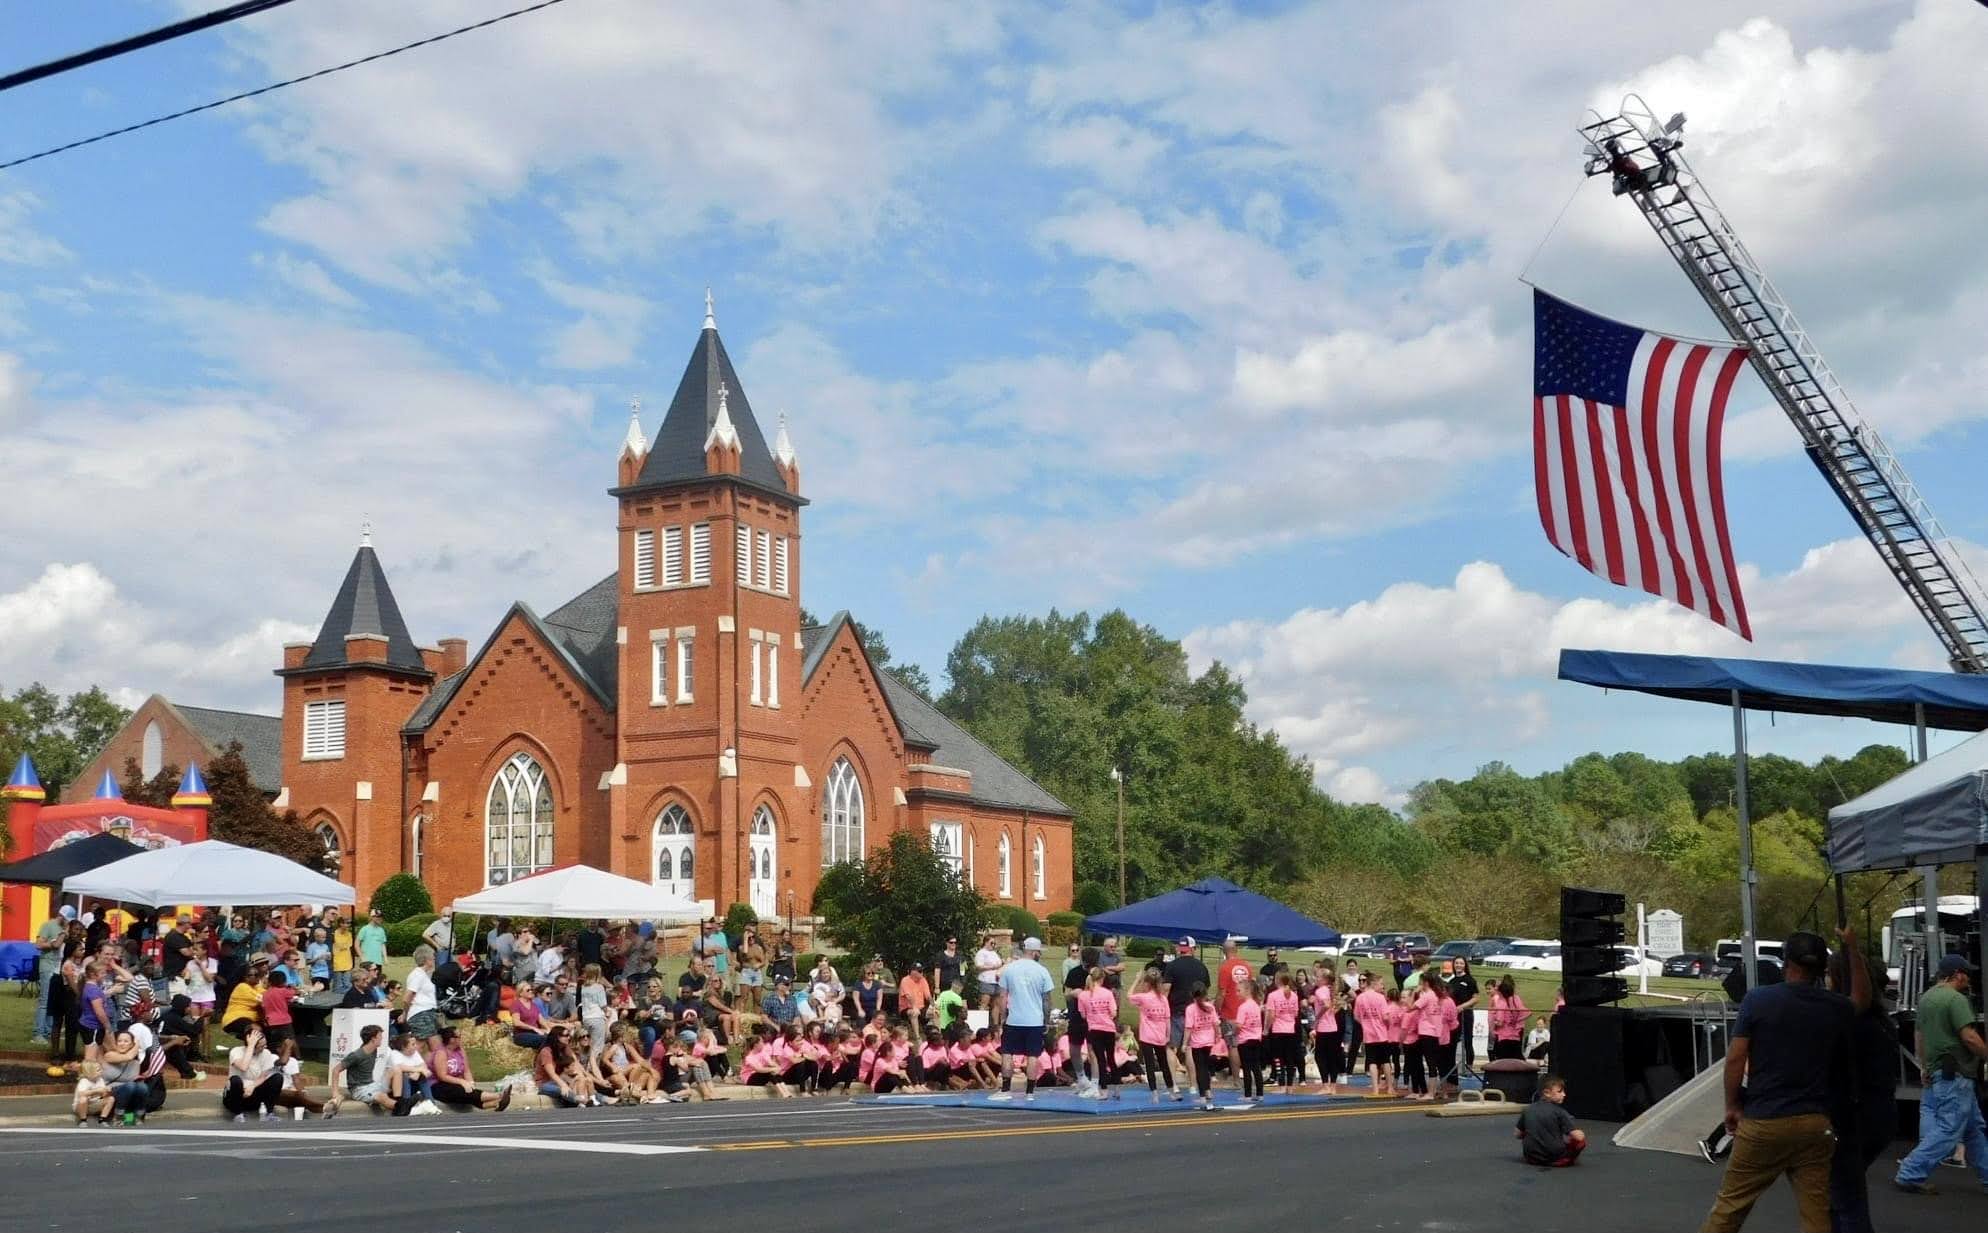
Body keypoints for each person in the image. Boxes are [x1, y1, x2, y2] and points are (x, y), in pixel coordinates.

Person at [1701, 928, 1867, 1233]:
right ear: (1822, 969)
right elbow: (1861, 998)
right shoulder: (1835, 1006)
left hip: (1765, 1120)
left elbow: (1736, 1058)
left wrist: (1732, 1105)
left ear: (1785, 962)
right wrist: (1852, 949)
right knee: (1816, 1215)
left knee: (1729, 1208)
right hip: (1815, 1124)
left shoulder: (1758, 1000)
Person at [1893, 953, 1988, 1195]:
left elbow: (1920, 1037)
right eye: (1966, 973)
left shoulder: (1926, 999)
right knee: (1949, 1128)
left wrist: (1924, 1066)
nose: (1968, 978)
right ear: (1957, 974)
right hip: (1957, 1073)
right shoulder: (1956, 1000)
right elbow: (1969, 1037)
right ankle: (1910, 1172)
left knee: (1974, 1129)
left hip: (1939, 1071)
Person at [987, 936, 1054, 1103]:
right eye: (1038, 951)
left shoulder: (1010, 969)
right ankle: (1030, 1091)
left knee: (1008, 1053)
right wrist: (1046, 1019)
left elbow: (1003, 996)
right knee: (1032, 1055)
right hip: (1034, 1020)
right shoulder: (1042, 971)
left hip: (1014, 1019)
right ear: (1033, 951)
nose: (1039, 954)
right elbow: (1047, 999)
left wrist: (1004, 1016)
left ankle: (1006, 1089)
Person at [430, 1024, 514, 1112]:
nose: (461, 1038)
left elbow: (466, 1070)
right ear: (452, 1039)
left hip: (454, 1083)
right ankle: (499, 1096)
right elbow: (442, 1076)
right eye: (459, 1036)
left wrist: (471, 1083)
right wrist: (462, 1082)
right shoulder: (441, 1053)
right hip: (438, 1086)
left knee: (469, 1091)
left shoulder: (460, 1050)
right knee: (462, 1092)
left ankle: (496, 1104)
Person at [1161, 935, 1212, 1078]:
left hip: (1175, 1011)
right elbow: (1205, 991)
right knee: (1190, 1048)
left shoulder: (1172, 966)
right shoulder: (1201, 966)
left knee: (1171, 1048)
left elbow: (1166, 989)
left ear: (1180, 949)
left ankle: (1172, 1083)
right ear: (1193, 949)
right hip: (1195, 1012)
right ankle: (1193, 1084)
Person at [1128, 970, 1181, 1103]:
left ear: (1147, 983)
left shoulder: (1144, 997)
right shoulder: (1162, 999)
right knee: (1164, 1065)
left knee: (1150, 1065)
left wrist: (1136, 980)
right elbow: (1167, 1019)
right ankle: (1171, 1092)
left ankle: (1154, 1094)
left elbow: (1129, 995)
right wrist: (1168, 1036)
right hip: (1160, 1036)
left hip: (1147, 1036)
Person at [1516, 1074, 1586, 1166]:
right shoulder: (1560, 1112)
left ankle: (1536, 1153)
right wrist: (1580, 1132)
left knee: (1525, 1130)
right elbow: (1578, 1137)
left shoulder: (1528, 1109)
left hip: (1531, 1157)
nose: (1564, 1094)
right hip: (1554, 1157)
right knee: (1580, 1141)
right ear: (1547, 1093)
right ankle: (1561, 1159)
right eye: (1560, 1091)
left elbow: (1517, 1134)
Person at [32, 905, 76, 1044]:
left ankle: (49, 1031)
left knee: (54, 1001)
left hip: (58, 966)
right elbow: (38, 945)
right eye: (66, 919)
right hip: (47, 965)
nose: (68, 922)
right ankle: (38, 1033)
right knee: (44, 1001)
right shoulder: (48, 926)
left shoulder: (65, 929)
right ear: (61, 916)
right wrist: (54, 943)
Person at [1077, 966, 1121, 1100]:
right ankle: (1117, 1088)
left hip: (1094, 1029)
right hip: (1108, 1028)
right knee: (1111, 1059)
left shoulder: (1083, 995)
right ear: (1102, 979)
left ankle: (1104, 1090)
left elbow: (1083, 1015)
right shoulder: (1107, 993)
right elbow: (1113, 1012)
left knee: (1101, 1060)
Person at [224, 1027, 285, 1122]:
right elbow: (243, 1067)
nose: (264, 1047)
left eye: (265, 1045)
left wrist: (252, 1086)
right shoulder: (236, 1051)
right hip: (235, 1096)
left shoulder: (266, 1053)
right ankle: (238, 1114)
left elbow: (263, 1077)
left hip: (253, 1092)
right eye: (261, 1046)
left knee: (277, 1077)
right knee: (235, 1080)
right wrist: (251, 1046)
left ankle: (270, 1113)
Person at [330, 1023, 392, 1114]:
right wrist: (335, 1093)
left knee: (395, 1074)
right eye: (380, 1036)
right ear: (373, 1039)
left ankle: (407, 1102)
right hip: (359, 1089)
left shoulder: (374, 1049)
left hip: (372, 1084)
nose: (382, 1038)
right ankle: (404, 1110)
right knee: (382, 1097)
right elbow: (336, 1070)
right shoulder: (356, 1055)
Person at [1184, 983, 1220, 1110]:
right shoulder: (1210, 1007)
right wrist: (1217, 1036)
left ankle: (1202, 1095)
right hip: (1209, 1041)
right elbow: (1216, 1024)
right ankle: (1208, 1090)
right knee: (1207, 1068)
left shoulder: (1190, 1009)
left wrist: (1184, 1043)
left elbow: (1188, 1028)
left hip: (1197, 1042)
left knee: (1200, 1069)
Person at [1265, 972, 1301, 1092]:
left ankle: (1281, 1084)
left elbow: (1271, 1015)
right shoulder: (1294, 995)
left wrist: (1266, 1029)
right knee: (1290, 1058)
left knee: (1278, 1058)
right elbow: (1295, 1014)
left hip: (1278, 1029)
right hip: (1290, 1029)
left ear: (1277, 980)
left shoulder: (1273, 995)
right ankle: (1290, 1085)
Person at [1233, 978, 1267, 1100]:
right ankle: (1260, 1093)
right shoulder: (1256, 1005)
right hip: (1256, 1039)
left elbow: (1239, 1025)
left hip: (1245, 1040)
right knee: (1256, 1067)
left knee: (1246, 1068)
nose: (1237, 993)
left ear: (1247, 991)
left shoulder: (1243, 1007)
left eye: (1238, 991)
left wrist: (1234, 1033)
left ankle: (1247, 1094)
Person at [1215, 938, 1253, 1049]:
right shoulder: (1247, 966)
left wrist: (1217, 1010)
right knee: (1245, 1044)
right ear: (1236, 949)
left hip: (1230, 1013)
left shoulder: (1225, 968)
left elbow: (1221, 993)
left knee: (1233, 1046)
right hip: (1247, 1013)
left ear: (1224, 951)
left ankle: (1235, 1067)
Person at [404, 945, 442, 1044]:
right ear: (427, 960)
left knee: (433, 1046)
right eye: (433, 958)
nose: (434, 960)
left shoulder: (423, 975)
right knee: (421, 1045)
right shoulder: (417, 975)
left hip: (428, 1013)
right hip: (420, 1014)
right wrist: (404, 1013)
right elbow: (407, 998)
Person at [1488, 977, 1528, 1061]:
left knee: (1503, 1060)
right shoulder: (1515, 998)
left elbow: (1500, 1022)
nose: (1495, 988)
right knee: (1517, 1058)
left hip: (1504, 1037)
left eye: (1496, 987)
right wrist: (1515, 1022)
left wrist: (1493, 1022)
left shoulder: (1501, 1002)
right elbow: (1526, 1013)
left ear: (1500, 990)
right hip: (1515, 1035)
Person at [1449, 957, 1479, 1069]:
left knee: (1467, 1041)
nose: (1458, 965)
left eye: (1461, 963)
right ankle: (1451, 1067)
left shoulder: (1470, 980)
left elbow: (1476, 998)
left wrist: (1462, 1007)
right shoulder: (1452, 981)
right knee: (1452, 1041)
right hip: (1454, 1016)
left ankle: (1469, 1067)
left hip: (1466, 1014)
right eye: (1456, 963)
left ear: (1465, 965)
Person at [73, 1060, 113, 1126]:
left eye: (101, 1069)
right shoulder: (84, 1081)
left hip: (95, 1104)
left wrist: (106, 1091)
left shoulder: (100, 1080)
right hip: (81, 1106)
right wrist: (96, 1091)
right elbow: (81, 1094)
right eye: (98, 1070)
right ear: (89, 1072)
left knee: (111, 1099)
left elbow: (103, 1095)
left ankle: (102, 1119)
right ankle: (83, 1120)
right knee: (83, 1099)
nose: (101, 1071)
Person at [896, 961, 931, 1031]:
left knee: (936, 1012)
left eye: (922, 970)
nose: (922, 973)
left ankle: (937, 1035)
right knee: (914, 1013)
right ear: (913, 972)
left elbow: (928, 996)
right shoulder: (905, 980)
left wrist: (933, 1005)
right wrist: (914, 1007)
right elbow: (909, 996)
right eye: (920, 971)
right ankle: (917, 1037)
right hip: (906, 1008)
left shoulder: (923, 980)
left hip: (921, 1007)